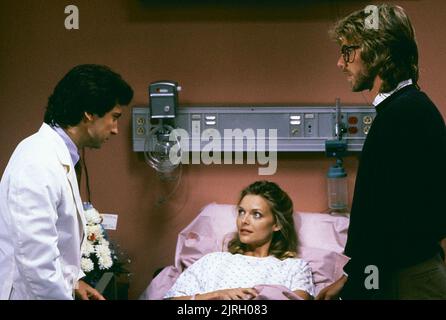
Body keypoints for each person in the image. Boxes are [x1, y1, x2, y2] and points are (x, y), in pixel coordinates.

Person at [317, 4, 446, 300]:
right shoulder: (406, 110)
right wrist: (352, 276)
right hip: (406, 272)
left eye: (348, 51)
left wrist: (357, 281)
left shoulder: (403, 116)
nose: (340, 62)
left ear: (377, 52)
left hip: (408, 279)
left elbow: (385, 224)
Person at [0, 64, 133, 300]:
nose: (115, 130)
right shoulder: (37, 161)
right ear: (89, 113)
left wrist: (74, 282)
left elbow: (58, 240)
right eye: (114, 117)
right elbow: (36, 264)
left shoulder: (59, 156)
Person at [164, 180, 315, 300]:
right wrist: (215, 295)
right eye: (241, 212)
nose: (244, 220)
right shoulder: (213, 261)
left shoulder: (294, 268)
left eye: (256, 214)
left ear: (277, 224)